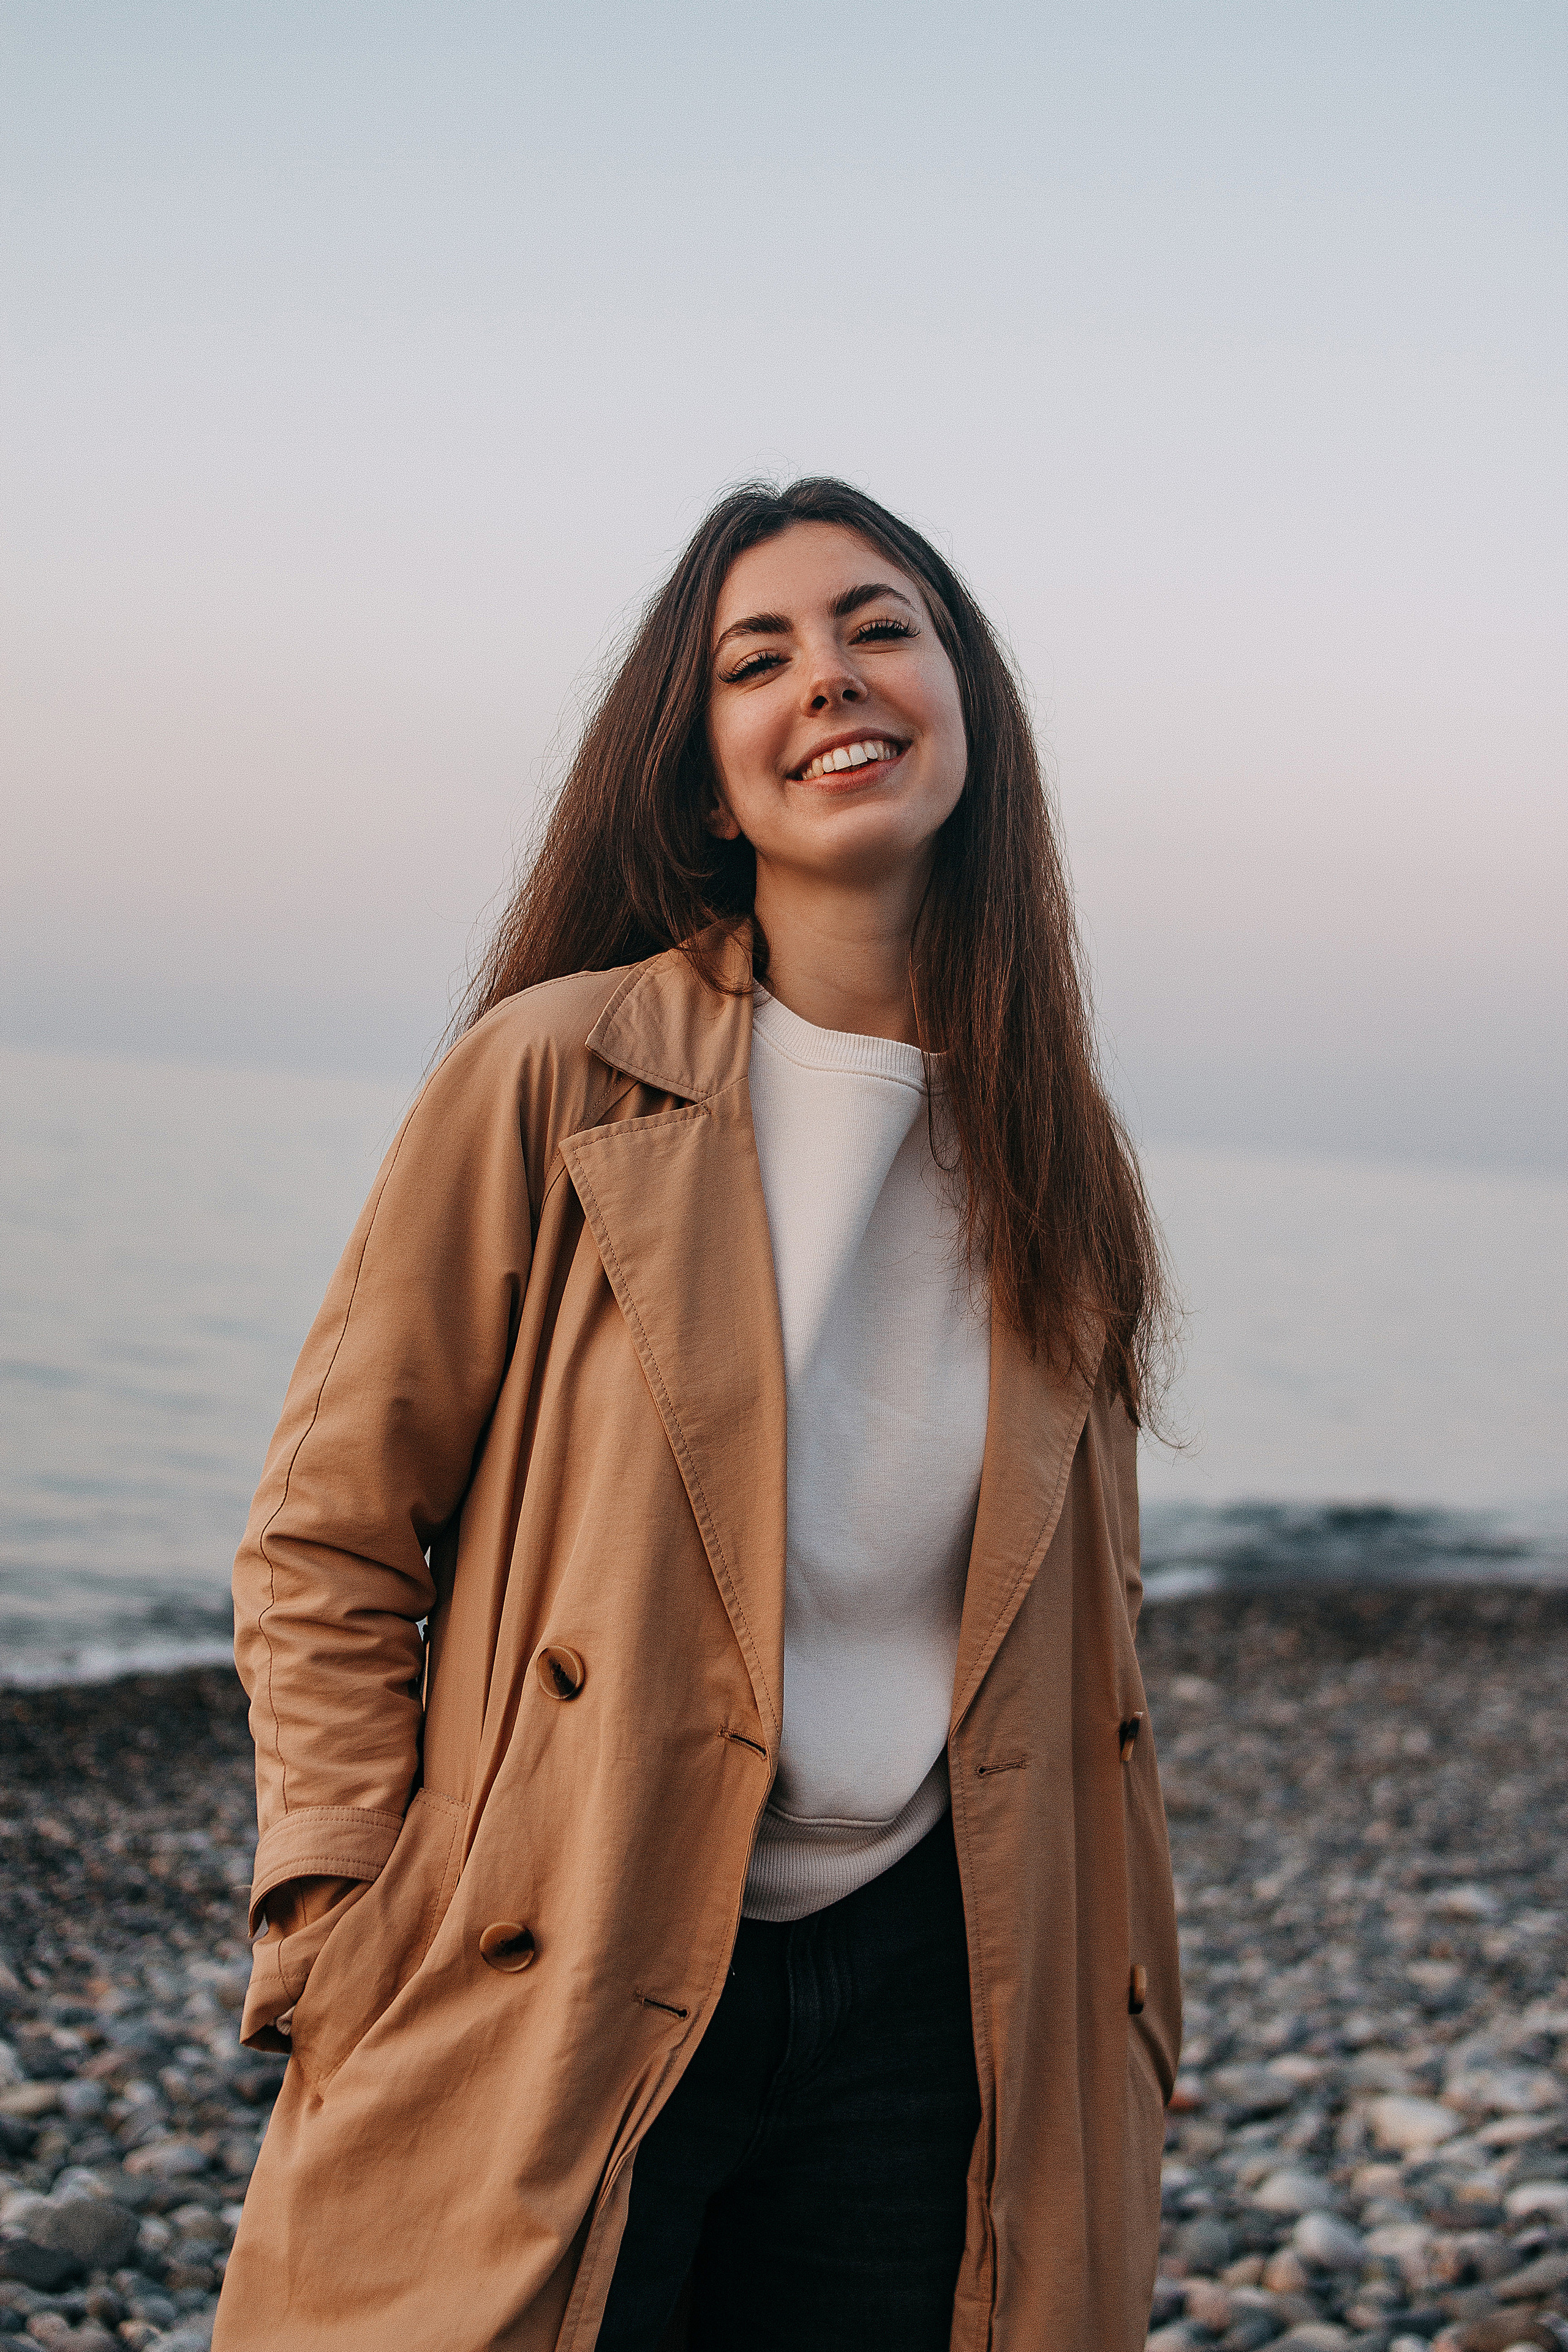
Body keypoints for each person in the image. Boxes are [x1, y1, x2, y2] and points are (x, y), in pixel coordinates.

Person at [213, 478, 1181, 2352]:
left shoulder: (1059, 1165)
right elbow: (327, 1528)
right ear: (703, 774)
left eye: (880, 628)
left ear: (966, 705)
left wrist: (1130, 2005)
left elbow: (1094, 1642)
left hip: (936, 1981)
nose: (831, 677)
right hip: (576, 1936)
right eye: (762, 658)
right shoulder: (557, 1073)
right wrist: (339, 1923)